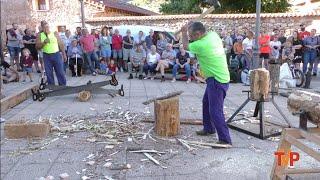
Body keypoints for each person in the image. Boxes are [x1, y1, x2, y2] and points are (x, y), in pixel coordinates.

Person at [182, 22, 232, 146]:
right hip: (218, 78)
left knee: (215, 110)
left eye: (191, 35)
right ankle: (209, 128)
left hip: (216, 80)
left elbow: (185, 46)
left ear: (198, 34)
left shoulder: (202, 44)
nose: (190, 38)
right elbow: (204, 29)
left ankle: (225, 140)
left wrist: (183, 32)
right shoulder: (213, 35)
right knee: (206, 103)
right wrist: (190, 25)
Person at [36, 21, 67, 85]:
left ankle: (63, 86)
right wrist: (44, 43)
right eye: (44, 27)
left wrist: (64, 54)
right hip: (46, 56)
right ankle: (51, 87)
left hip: (56, 54)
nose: (46, 28)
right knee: (48, 73)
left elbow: (61, 44)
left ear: (49, 27)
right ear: (42, 27)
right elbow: (37, 47)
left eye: (47, 26)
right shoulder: (39, 35)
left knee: (60, 71)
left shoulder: (54, 33)